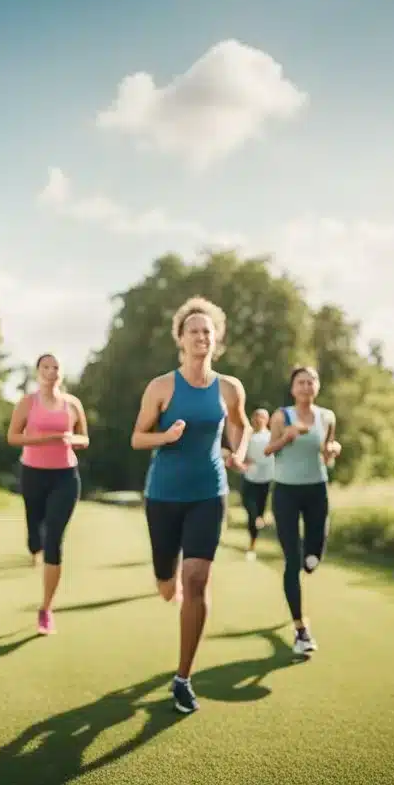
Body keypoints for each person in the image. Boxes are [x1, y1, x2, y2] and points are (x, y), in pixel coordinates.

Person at [130, 296, 251, 714]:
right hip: (163, 496)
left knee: (197, 579)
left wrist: (238, 451)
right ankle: (167, 579)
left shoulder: (229, 387)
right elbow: (138, 437)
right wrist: (166, 436)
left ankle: (183, 677)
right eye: (194, 330)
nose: (201, 336)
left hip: (208, 494)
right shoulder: (161, 387)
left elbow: (240, 423)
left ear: (215, 340)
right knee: (169, 587)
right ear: (181, 339)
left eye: (207, 331)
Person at [6, 352, 90, 634]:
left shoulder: (72, 404)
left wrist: (71, 439)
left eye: (56, 367)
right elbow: (13, 437)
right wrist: (46, 439)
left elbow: (84, 438)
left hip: (66, 476)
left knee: (54, 539)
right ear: (38, 371)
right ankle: (34, 547)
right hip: (33, 474)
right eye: (46, 367)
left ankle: (46, 608)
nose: (51, 371)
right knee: (36, 535)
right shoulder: (27, 403)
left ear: (61, 373)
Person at [263, 367, 341, 656]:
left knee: (313, 558)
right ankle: (300, 630)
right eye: (301, 382)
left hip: (316, 490)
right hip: (285, 492)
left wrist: (332, 450)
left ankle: (311, 559)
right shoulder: (281, 416)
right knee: (293, 561)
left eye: (311, 382)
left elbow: (326, 454)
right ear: (293, 388)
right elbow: (268, 450)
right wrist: (287, 436)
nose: (306, 386)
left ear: (317, 386)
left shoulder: (327, 417)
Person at [239, 407, 274, 560]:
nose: (258, 419)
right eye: (256, 416)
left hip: (264, 481)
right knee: (251, 512)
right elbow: (240, 453)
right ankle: (257, 520)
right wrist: (242, 461)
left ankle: (252, 546)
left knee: (256, 516)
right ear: (252, 419)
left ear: (267, 420)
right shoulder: (247, 435)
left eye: (262, 417)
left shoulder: (271, 437)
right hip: (249, 479)